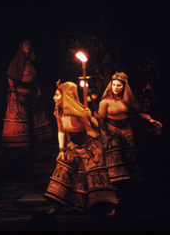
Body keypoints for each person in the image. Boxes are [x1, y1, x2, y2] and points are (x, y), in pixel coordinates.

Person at [44, 81, 118, 216]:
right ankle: (57, 205)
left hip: (91, 145)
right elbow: (61, 131)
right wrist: (61, 150)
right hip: (73, 145)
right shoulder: (59, 112)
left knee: (97, 177)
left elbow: (95, 126)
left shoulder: (79, 110)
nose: (54, 98)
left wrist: (88, 116)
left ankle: (109, 206)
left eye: (56, 95)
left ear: (66, 96)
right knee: (62, 172)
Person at [96, 72, 162, 189]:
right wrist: (99, 123)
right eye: (114, 85)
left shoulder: (127, 100)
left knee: (130, 152)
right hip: (111, 128)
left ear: (124, 87)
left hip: (126, 128)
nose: (115, 88)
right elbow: (100, 121)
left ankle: (132, 182)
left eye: (119, 85)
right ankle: (115, 181)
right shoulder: (105, 102)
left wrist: (151, 120)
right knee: (114, 147)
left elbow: (139, 111)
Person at [1, 39, 53, 147]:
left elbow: (32, 77)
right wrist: (13, 91)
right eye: (25, 44)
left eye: (29, 44)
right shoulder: (16, 61)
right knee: (19, 117)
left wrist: (37, 88)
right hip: (19, 91)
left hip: (31, 91)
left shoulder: (30, 62)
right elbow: (10, 76)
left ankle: (42, 141)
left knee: (38, 115)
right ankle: (17, 144)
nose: (28, 46)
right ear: (21, 46)